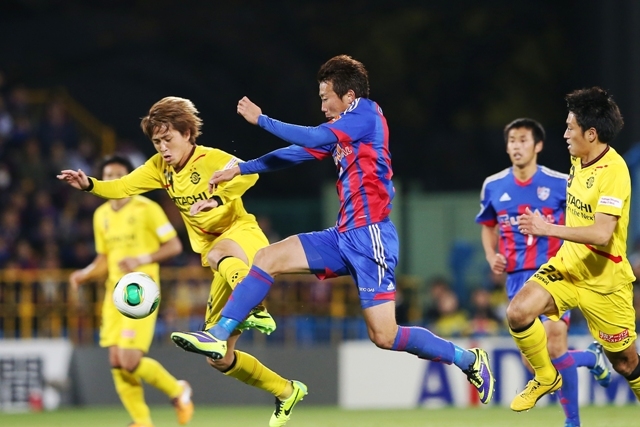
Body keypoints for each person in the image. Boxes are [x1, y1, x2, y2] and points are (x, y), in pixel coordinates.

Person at [170, 54, 496, 421]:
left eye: (326, 98)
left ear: (349, 96)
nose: (323, 106)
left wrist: (261, 119)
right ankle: (219, 332)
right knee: (267, 257)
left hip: (371, 239)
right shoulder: (343, 129)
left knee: (384, 336)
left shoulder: (366, 116)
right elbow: (297, 153)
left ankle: (468, 359)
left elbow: (313, 135)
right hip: (342, 236)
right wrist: (243, 168)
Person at [58, 97, 300, 427]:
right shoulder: (160, 168)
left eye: (167, 139)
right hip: (219, 255)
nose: (162, 148)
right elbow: (125, 186)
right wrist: (90, 184)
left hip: (241, 235)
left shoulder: (211, 158)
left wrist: (217, 198)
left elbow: (249, 175)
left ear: (187, 133)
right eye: (156, 142)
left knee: (217, 253)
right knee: (219, 357)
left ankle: (253, 304)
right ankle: (286, 390)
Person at [509, 87, 640, 413]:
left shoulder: (614, 172)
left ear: (591, 134)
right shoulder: (578, 158)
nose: (565, 134)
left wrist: (547, 228)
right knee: (518, 312)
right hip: (569, 266)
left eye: (571, 128)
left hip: (605, 280)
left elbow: (602, 233)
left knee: (625, 363)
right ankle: (545, 377)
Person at [476, 118, 611, 427]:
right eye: (512, 141)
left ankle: (572, 422)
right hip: (515, 279)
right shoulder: (493, 185)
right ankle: (591, 358)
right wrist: (491, 255)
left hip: (552, 272)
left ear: (537, 145)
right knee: (536, 361)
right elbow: (487, 225)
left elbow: (583, 220)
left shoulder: (560, 182)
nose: (516, 146)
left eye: (523, 140)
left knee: (555, 342)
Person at [68, 155, 192, 427]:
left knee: (129, 359)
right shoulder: (101, 215)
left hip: (141, 291)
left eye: (119, 174)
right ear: (102, 180)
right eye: (108, 175)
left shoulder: (147, 208)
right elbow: (104, 259)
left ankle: (178, 390)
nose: (114, 179)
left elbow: (174, 246)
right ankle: (141, 421)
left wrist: (141, 259)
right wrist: (85, 274)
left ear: (128, 178)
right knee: (116, 360)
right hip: (112, 293)